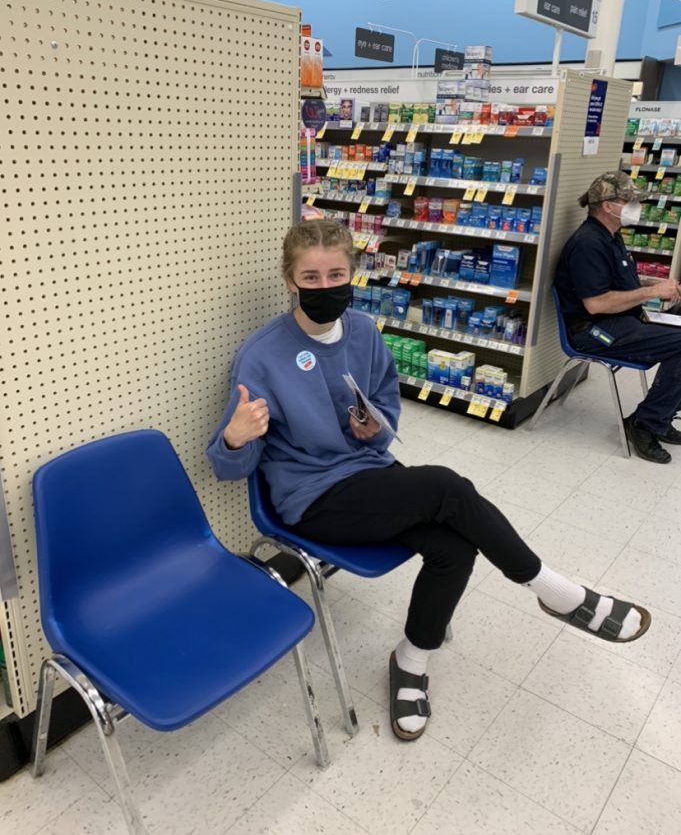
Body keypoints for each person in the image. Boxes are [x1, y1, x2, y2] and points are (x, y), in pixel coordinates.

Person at [207, 218, 651, 742]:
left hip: (369, 477)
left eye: (336, 275)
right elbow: (227, 467)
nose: (325, 287)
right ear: (289, 280)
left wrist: (374, 428)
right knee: (446, 486)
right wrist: (236, 438)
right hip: (312, 498)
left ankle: (411, 660)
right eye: (311, 277)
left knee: (453, 549)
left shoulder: (366, 332)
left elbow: (385, 415)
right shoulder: (260, 356)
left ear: (354, 273)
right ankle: (557, 591)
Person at [554, 170, 681, 464]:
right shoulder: (588, 244)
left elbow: (622, 286)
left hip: (622, 320)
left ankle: (658, 416)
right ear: (608, 206)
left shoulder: (611, 237)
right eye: (630, 201)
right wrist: (650, 294)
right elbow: (597, 304)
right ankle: (646, 423)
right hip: (594, 330)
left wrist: (657, 288)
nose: (636, 206)